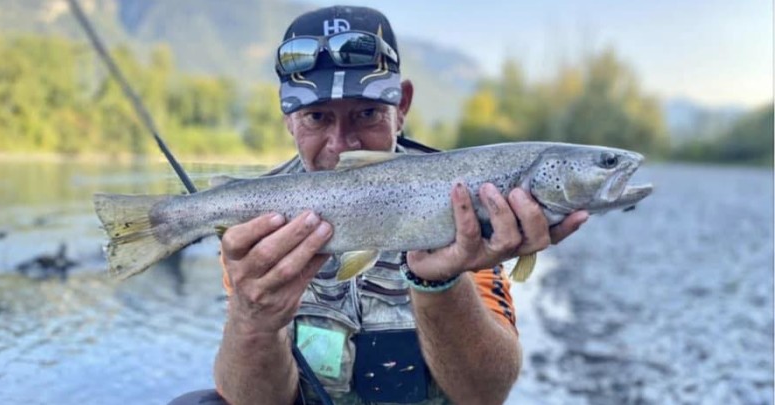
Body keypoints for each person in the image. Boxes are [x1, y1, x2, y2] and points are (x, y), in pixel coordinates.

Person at [170, 5, 588, 405]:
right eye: (317, 118)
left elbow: (485, 396)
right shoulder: (261, 217)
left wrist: (439, 285)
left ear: (401, 106)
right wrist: (253, 317)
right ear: (289, 118)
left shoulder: (464, 193)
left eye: (367, 113)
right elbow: (252, 401)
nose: (341, 145)